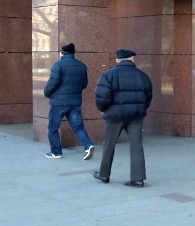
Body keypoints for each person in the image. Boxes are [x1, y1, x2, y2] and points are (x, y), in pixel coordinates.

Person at [92, 49, 153, 188]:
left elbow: (102, 97)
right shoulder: (142, 76)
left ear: (117, 60)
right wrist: (140, 109)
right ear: (132, 59)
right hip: (136, 116)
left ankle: (104, 174)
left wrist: (104, 110)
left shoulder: (108, 75)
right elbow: (148, 96)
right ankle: (138, 179)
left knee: (109, 145)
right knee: (137, 146)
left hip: (114, 116)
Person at [43, 43, 95, 160]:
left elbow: (53, 83)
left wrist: (46, 93)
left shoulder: (58, 65)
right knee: (78, 127)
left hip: (58, 103)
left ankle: (56, 152)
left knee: (53, 128)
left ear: (62, 53)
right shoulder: (82, 66)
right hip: (75, 102)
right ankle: (88, 145)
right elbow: (84, 84)